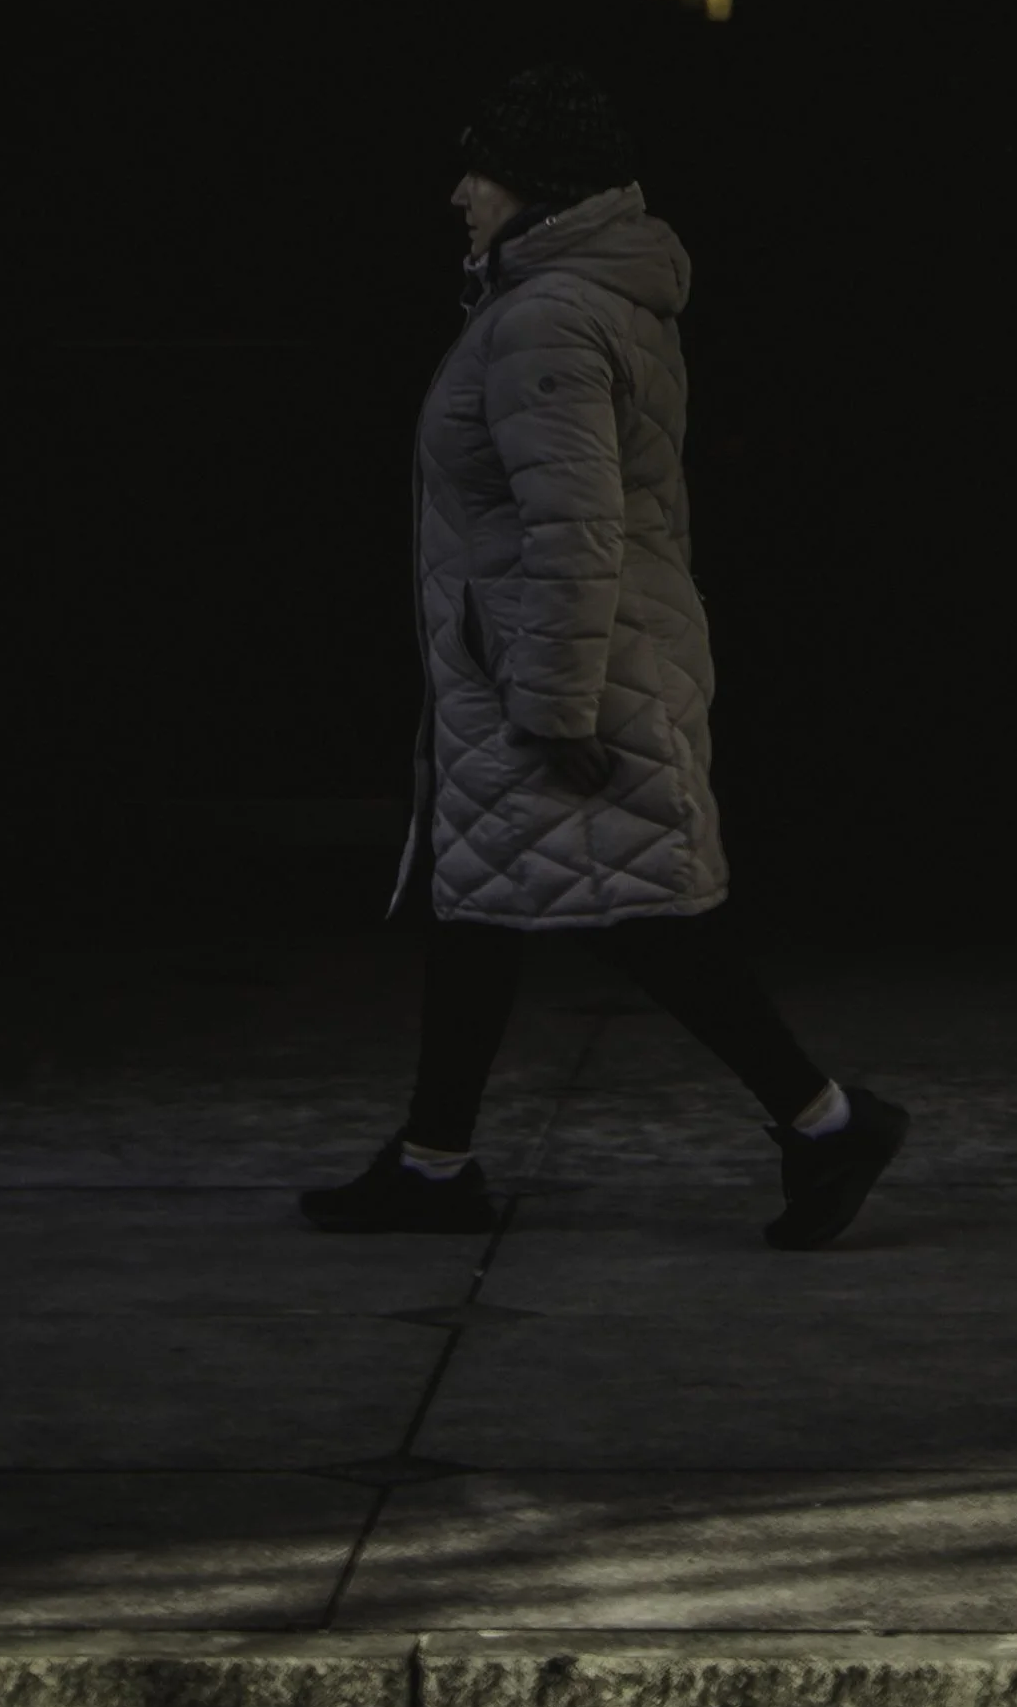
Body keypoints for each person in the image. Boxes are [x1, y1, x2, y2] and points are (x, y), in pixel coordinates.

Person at [301, 63, 907, 1248]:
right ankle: (434, 1162)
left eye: (479, 168)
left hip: (565, 661)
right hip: (541, 655)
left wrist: (555, 700)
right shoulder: (569, 300)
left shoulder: (543, 319)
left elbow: (574, 526)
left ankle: (827, 1119)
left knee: (643, 914)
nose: (458, 191)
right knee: (480, 903)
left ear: (538, 184)